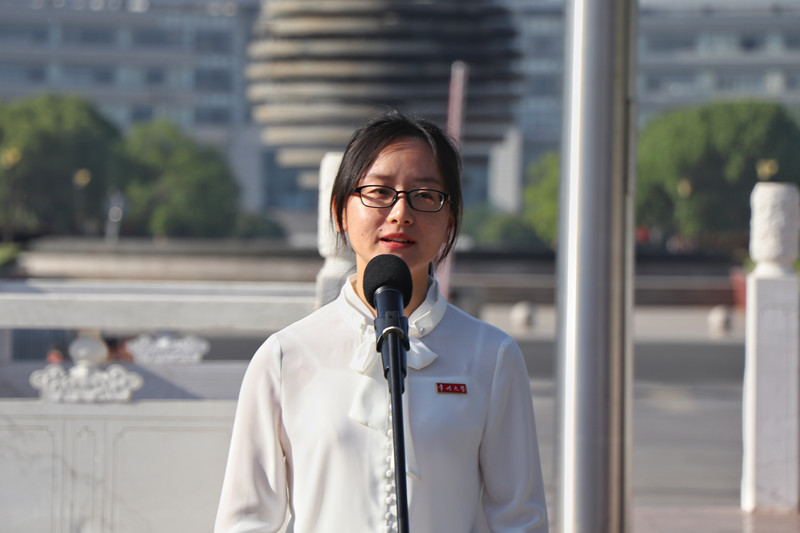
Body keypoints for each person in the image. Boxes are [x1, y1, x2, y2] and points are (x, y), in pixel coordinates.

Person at [215, 112, 549, 532]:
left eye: (425, 195)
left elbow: (520, 521)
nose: (401, 213)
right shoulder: (285, 356)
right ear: (340, 211)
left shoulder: (491, 355)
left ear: (450, 220)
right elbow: (246, 521)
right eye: (379, 192)